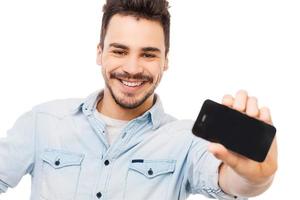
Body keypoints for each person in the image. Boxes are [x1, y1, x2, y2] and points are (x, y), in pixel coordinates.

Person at [0, 0, 277, 199]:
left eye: (148, 54)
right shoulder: (43, 123)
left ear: (165, 60)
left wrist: (255, 177)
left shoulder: (186, 140)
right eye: (120, 51)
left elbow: (230, 181)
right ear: (100, 53)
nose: (132, 68)